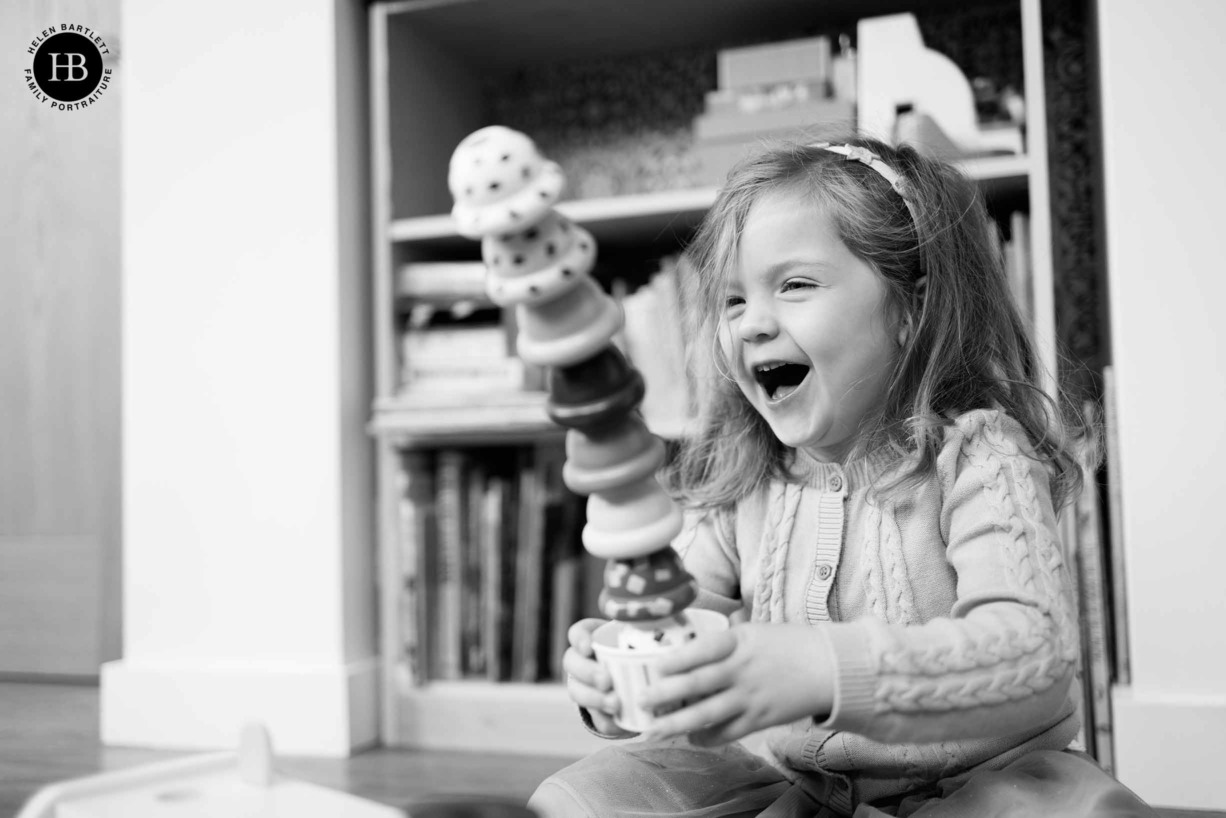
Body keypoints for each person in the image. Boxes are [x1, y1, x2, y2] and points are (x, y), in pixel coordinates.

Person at [528, 135, 1155, 817]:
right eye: (732, 301)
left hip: (978, 787)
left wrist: (824, 668)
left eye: (795, 285)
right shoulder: (748, 474)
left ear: (912, 308)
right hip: (801, 787)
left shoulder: (980, 456)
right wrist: (622, 675)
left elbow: (1033, 655)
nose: (751, 326)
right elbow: (684, 632)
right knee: (588, 795)